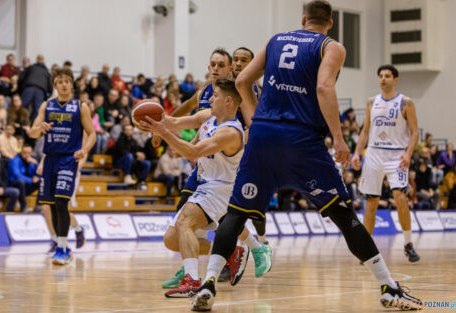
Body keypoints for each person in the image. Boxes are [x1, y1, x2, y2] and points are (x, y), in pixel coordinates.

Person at [191, 1, 422, 311]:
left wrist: (257, 116)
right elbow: (325, 86)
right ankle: (388, 286)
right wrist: (339, 139)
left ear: (303, 19)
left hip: (263, 136)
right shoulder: (331, 46)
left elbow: (242, 80)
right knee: (343, 216)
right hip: (302, 140)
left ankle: (208, 282)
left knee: (236, 213)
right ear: (329, 24)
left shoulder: (276, 40)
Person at [141, 78, 271, 298]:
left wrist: (163, 133)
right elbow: (173, 122)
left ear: (228, 101)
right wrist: (151, 121)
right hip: (206, 185)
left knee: (184, 222)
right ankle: (233, 250)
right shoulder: (208, 117)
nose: (210, 98)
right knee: (172, 239)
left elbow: (192, 153)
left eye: (216, 95)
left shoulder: (230, 132)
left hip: (222, 189)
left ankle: (192, 281)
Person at [351, 64, 420, 262]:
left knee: (400, 198)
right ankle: (367, 249)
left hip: (397, 156)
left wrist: (408, 154)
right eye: (380, 75)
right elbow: (365, 131)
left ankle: (408, 244)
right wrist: (357, 153)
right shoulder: (372, 102)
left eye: (387, 76)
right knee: (371, 202)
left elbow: (415, 132)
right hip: (373, 154)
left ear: (395, 79)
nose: (383, 79)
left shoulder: (406, 102)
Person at [29, 67, 96, 265]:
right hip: (50, 158)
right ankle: (64, 247)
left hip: (68, 159)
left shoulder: (80, 106)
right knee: (50, 205)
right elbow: (31, 132)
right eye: (60, 82)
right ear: (55, 86)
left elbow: (92, 133)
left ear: (72, 83)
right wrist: (38, 129)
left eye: (67, 80)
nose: (64, 84)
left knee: (60, 202)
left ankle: (62, 248)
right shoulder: (46, 106)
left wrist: (84, 150)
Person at [37, 154, 86, 252]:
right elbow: (50, 147)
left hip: (68, 168)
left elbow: (84, 152)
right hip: (51, 167)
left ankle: (77, 230)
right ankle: (55, 240)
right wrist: (42, 163)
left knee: (61, 206)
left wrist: (76, 167)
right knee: (46, 208)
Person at [7, 144, 40, 212]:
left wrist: (36, 164)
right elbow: (17, 175)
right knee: (20, 181)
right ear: (21, 152)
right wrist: (31, 180)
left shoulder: (31, 161)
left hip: (26, 186)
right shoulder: (15, 160)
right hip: (13, 184)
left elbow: (39, 174)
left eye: (29, 153)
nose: (27, 155)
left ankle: (38, 206)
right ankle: (23, 206)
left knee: (41, 181)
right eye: (25, 152)